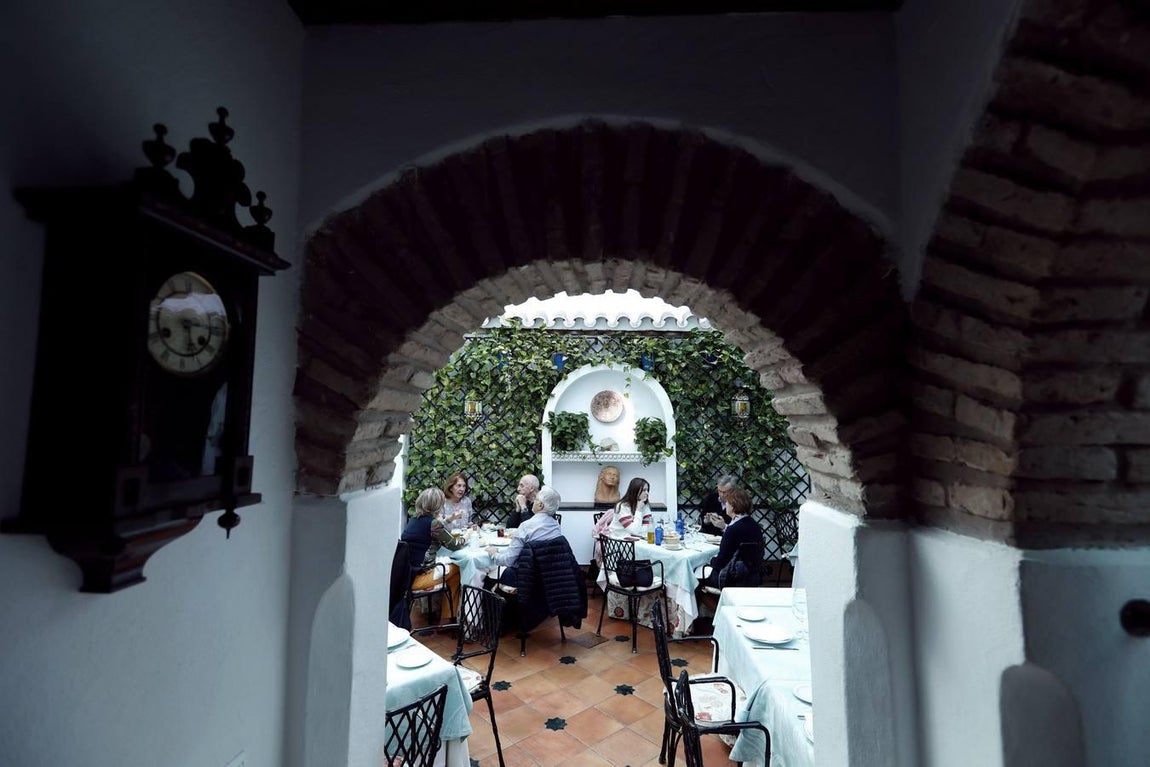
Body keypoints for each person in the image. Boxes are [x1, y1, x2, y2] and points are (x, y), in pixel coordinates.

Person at [400, 487, 465, 623]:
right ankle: (447, 619)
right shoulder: (433, 523)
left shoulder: (415, 520)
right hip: (420, 578)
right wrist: (468, 537)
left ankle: (445, 616)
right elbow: (455, 544)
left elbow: (436, 527)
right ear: (438, 505)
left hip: (406, 575)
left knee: (451, 569)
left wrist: (448, 520)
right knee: (458, 568)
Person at [488, 485, 565, 581]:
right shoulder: (556, 527)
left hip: (526, 579)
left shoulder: (526, 527)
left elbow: (508, 561)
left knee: (489, 573)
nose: (533, 502)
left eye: (536, 500)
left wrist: (494, 554)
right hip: (550, 578)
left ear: (540, 505)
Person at [698, 487, 764, 589]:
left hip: (730, 578)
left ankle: (710, 603)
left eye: (727, 503)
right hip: (752, 575)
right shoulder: (755, 525)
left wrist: (709, 560)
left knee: (696, 573)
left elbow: (720, 562)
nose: (726, 506)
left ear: (733, 507)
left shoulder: (733, 529)